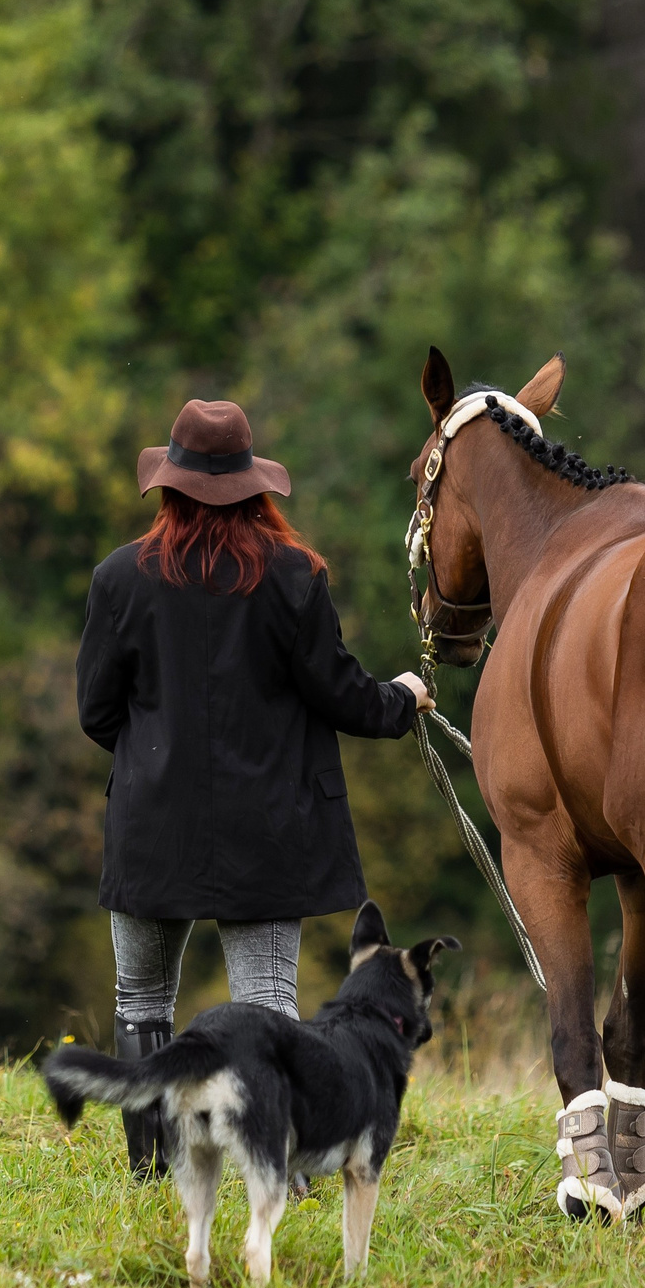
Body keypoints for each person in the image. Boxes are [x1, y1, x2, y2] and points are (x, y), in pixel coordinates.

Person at [75, 398, 435, 1179]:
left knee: (141, 999)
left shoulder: (118, 577)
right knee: (269, 1003)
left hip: (152, 826)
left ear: (169, 486)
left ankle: (152, 1172)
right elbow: (342, 695)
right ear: (252, 488)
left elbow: (96, 711)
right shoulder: (295, 576)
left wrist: (157, 760)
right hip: (269, 830)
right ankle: (278, 1168)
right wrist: (403, 698)